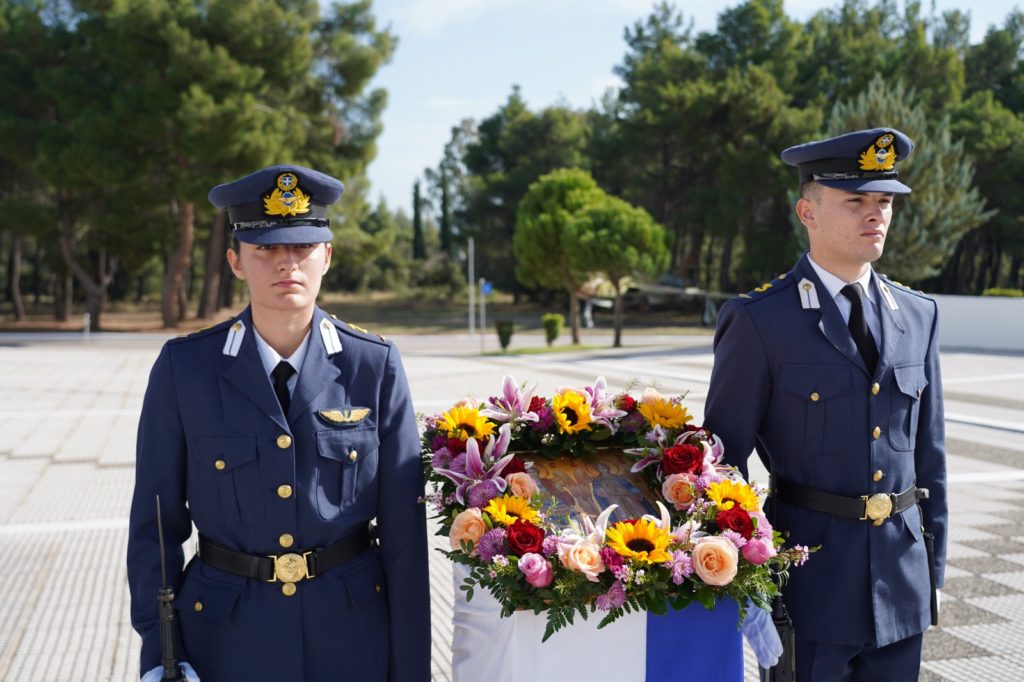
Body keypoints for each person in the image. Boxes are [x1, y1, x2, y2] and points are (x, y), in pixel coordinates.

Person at [127, 165, 430, 681]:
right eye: (266, 249)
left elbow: (405, 539)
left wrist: (411, 670)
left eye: (304, 247)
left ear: (327, 256)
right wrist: (162, 655)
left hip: (351, 635)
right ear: (235, 262)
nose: (286, 262)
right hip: (226, 637)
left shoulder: (372, 365)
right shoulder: (186, 369)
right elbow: (154, 528)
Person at [703, 128, 947, 681]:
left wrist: (933, 570)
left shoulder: (918, 315)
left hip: (901, 586)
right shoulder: (762, 321)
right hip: (807, 589)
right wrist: (745, 577)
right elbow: (722, 465)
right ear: (807, 212)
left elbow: (930, 458)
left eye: (884, 201)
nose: (876, 215)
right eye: (855, 200)